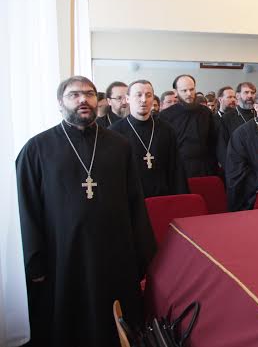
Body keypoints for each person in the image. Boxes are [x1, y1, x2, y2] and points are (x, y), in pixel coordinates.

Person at [16, 76, 155, 346]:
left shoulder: (119, 145)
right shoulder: (37, 148)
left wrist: (143, 253)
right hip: (63, 256)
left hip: (113, 252)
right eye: (74, 95)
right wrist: (34, 260)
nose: (83, 99)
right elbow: (27, 208)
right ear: (60, 103)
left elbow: (135, 201)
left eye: (89, 94)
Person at [109, 80, 188, 197]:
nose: (144, 100)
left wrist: (181, 199)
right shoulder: (114, 132)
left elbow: (176, 170)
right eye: (138, 95)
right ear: (128, 99)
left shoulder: (166, 130)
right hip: (131, 199)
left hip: (163, 198)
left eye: (148, 95)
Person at [159, 74, 218, 178]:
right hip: (178, 168)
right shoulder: (165, 115)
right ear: (176, 92)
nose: (189, 94)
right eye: (184, 90)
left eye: (191, 89)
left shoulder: (205, 112)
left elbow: (212, 141)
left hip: (204, 167)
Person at [217, 82, 256, 166]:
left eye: (252, 93)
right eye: (246, 92)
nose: (250, 95)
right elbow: (222, 147)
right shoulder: (227, 118)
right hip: (237, 165)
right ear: (238, 96)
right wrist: (230, 167)